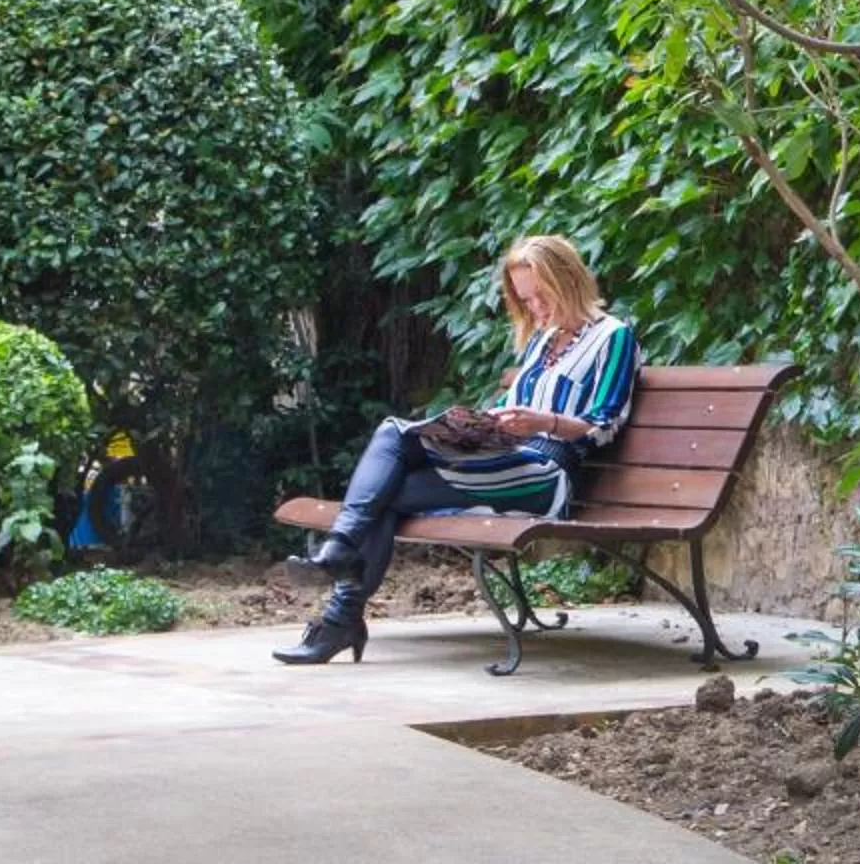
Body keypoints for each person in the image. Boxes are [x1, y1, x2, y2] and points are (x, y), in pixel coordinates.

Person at [272, 236, 640, 666]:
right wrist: (479, 424)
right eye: (527, 300)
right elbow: (512, 407)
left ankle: (339, 581)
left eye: (543, 296)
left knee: (389, 469)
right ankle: (339, 600)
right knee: (394, 445)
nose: (536, 309)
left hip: (545, 472)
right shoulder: (544, 341)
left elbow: (604, 424)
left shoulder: (614, 337)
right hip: (504, 456)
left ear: (569, 281)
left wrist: (544, 423)